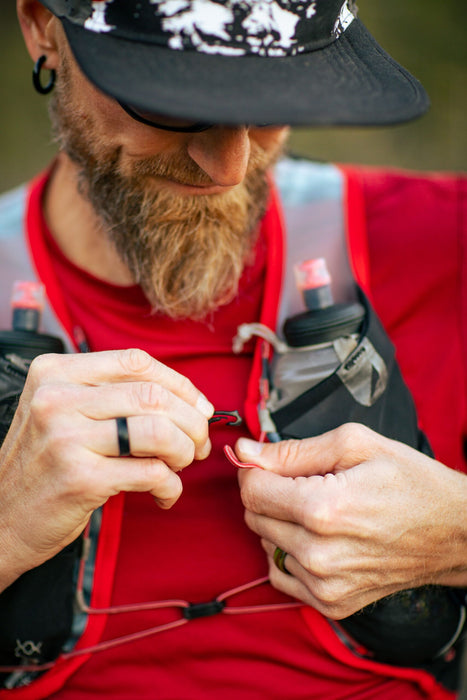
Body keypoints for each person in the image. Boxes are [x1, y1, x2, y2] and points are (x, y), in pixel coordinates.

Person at [0, 0, 465, 698]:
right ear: (41, 28)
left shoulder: (443, 247)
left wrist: (458, 535)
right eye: (172, 104)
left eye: (268, 102)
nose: (227, 164)